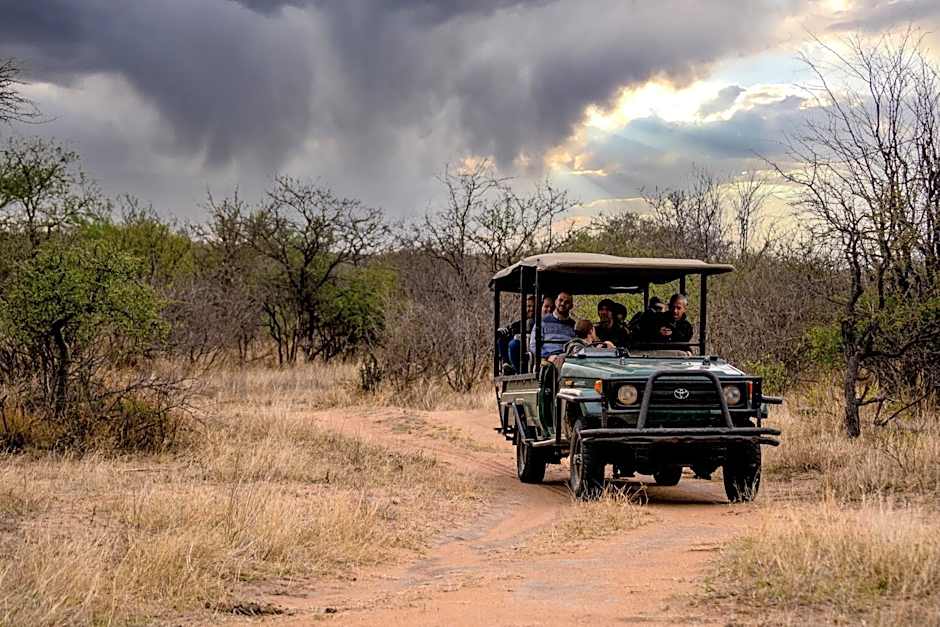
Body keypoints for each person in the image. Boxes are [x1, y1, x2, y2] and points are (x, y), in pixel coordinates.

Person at [548, 319, 614, 366]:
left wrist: (596, 348)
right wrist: (609, 348)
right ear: (591, 331)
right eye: (594, 330)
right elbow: (582, 356)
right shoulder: (576, 347)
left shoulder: (584, 346)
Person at [530, 291, 575, 358]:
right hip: (547, 359)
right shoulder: (542, 322)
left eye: (567, 302)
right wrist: (548, 356)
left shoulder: (573, 325)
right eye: (561, 300)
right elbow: (534, 345)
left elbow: (577, 345)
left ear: (571, 306)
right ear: (556, 302)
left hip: (568, 359)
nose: (563, 303)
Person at [497, 294, 535, 373]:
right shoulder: (519, 323)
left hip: (528, 352)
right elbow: (509, 329)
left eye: (532, 306)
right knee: (502, 339)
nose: (530, 309)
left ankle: (517, 369)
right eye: (528, 306)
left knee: (513, 344)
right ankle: (507, 365)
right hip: (517, 353)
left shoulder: (539, 323)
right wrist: (501, 331)